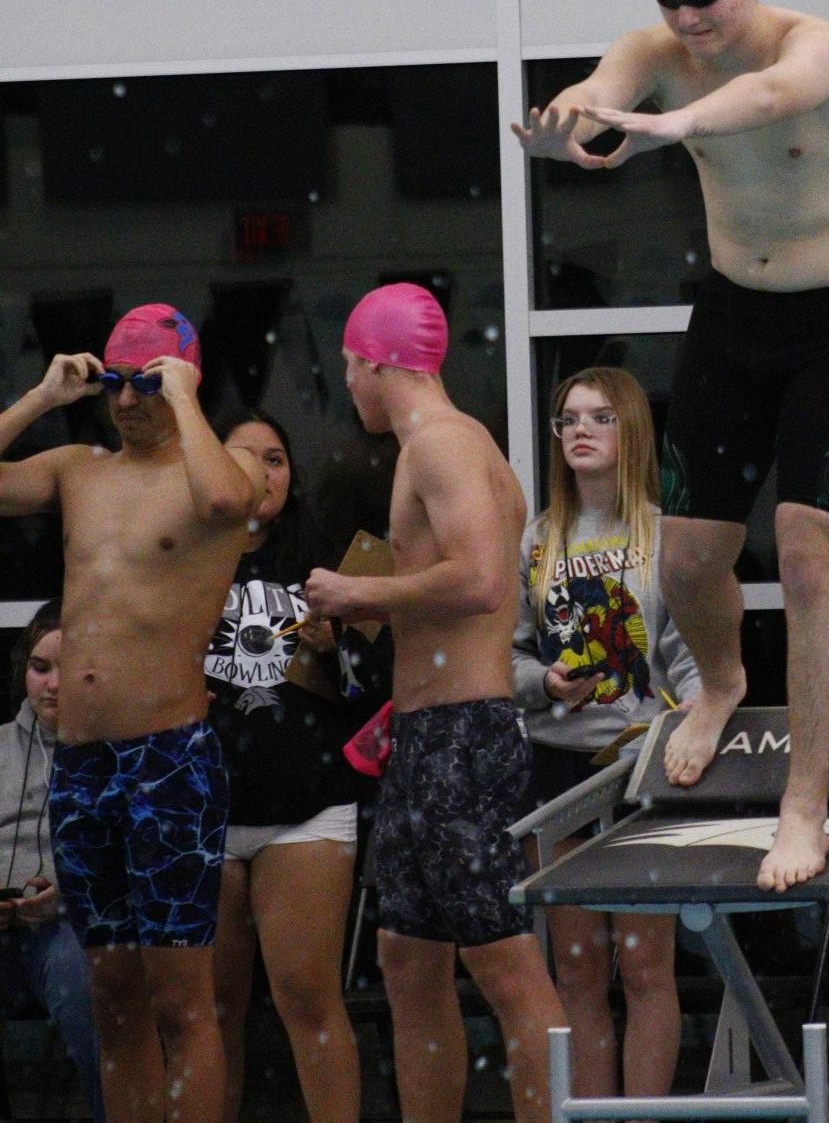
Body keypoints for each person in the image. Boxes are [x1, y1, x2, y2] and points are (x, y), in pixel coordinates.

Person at [512, 0, 829, 891]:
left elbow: (768, 101)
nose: (691, 24)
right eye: (675, 6)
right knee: (685, 555)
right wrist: (579, 121)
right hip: (733, 316)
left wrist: (670, 124)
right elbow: (604, 88)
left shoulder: (814, 46)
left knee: (812, 556)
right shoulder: (655, 48)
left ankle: (802, 805)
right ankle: (719, 681)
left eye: (708, 5)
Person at [304, 282, 565, 1123]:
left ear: (381, 362)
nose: (347, 385)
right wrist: (370, 607)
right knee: (408, 959)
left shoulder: (443, 444)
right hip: (425, 738)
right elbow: (451, 583)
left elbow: (485, 580)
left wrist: (359, 586)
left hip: (464, 737)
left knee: (506, 964)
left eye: (350, 366)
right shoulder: (438, 446)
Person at [0, 303, 264, 1123]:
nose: (124, 401)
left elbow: (228, 503)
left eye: (143, 383)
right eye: (115, 383)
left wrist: (183, 397)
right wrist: (42, 397)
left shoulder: (215, 473)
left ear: (181, 378)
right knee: (112, 989)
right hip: (82, 764)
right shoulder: (80, 467)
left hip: (168, 760)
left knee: (183, 996)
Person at [513, 366, 700, 1104]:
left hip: (642, 766)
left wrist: (688, 716)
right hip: (558, 763)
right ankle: (587, 1113)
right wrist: (545, 683)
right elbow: (508, 652)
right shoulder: (539, 538)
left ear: (632, 431)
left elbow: (690, 651)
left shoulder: (664, 533)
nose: (580, 430)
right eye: (567, 419)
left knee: (647, 965)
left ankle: (644, 1115)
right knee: (579, 968)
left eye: (598, 417)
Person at [207, 409, 390, 1123]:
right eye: (242, 456)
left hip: (308, 801)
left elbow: (379, 684)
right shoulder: (180, 552)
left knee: (307, 995)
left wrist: (335, 647)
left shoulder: (332, 557)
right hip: (202, 806)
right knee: (209, 1006)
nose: (261, 471)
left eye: (276, 457)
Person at [0, 603, 105, 1122]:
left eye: (69, 666)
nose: (53, 684)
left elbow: (136, 862)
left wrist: (66, 897)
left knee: (84, 979)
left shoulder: (121, 750)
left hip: (73, 930)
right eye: (41, 667)